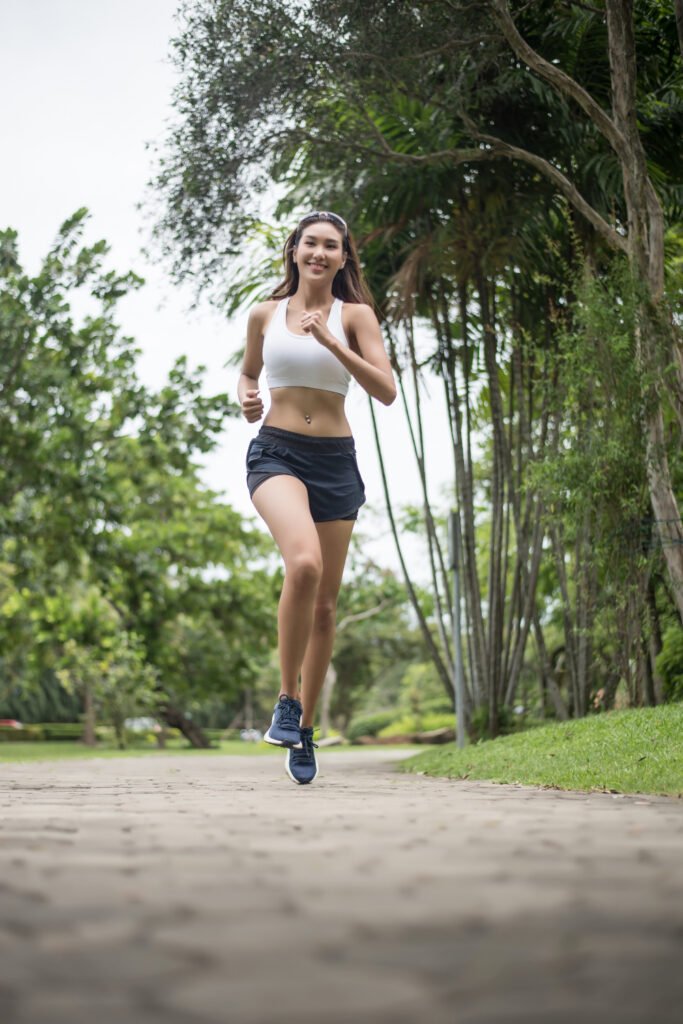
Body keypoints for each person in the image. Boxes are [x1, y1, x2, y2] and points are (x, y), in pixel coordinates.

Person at [238, 211, 396, 784]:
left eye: (332, 246)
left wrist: (332, 341)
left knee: (326, 606)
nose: (320, 253)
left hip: (335, 463)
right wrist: (248, 397)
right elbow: (249, 374)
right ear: (295, 250)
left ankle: (304, 731)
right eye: (311, 243)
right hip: (276, 453)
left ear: (344, 257)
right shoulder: (264, 314)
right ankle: (286, 700)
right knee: (302, 563)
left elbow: (385, 391)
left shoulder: (356, 316)